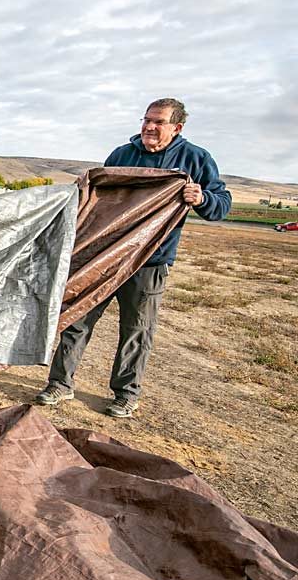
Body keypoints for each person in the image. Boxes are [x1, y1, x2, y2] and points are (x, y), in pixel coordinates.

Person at [35, 98, 232, 417]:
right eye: (146, 120)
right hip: (104, 256)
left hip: (150, 261)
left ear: (176, 127)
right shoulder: (121, 155)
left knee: (137, 330)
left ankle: (125, 393)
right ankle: (60, 384)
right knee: (78, 319)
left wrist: (202, 197)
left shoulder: (195, 159)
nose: (149, 127)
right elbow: (101, 200)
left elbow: (222, 204)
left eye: (158, 122)